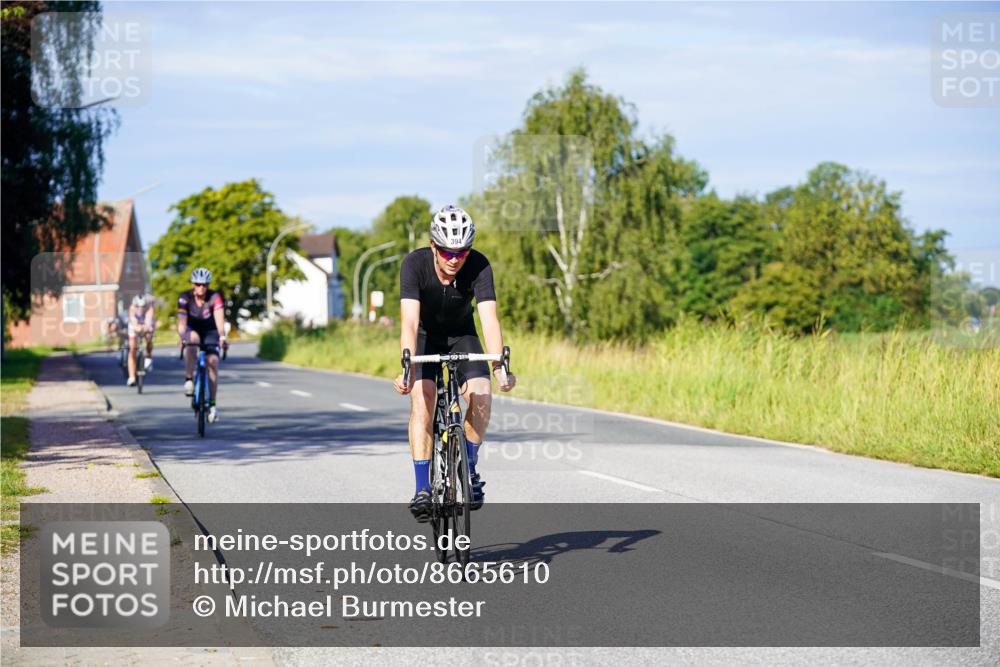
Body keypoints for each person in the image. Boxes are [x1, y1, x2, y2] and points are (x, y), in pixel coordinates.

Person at [393, 205, 516, 522]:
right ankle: (422, 488)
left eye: (461, 252)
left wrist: (500, 365)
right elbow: (408, 321)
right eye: (447, 251)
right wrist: (407, 368)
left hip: (462, 335)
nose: (454, 259)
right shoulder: (414, 264)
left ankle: (468, 466)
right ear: (434, 246)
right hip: (425, 337)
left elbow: (489, 319)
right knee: (423, 400)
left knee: (482, 394)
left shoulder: (479, 266)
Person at [177, 267, 227, 423]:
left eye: (205, 285)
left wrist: (222, 337)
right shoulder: (185, 298)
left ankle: (212, 404)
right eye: (198, 284)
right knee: (191, 341)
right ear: (193, 284)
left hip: (210, 330)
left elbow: (219, 321)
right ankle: (189, 379)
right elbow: (181, 324)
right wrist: (182, 337)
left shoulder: (214, 297)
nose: (201, 288)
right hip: (192, 329)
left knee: (213, 362)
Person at [126, 294, 155, 386]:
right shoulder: (132, 309)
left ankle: (148, 356)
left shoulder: (150, 309)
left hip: (145, 324)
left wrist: (145, 329)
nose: (140, 309)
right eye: (138, 306)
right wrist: (138, 328)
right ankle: (131, 377)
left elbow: (148, 322)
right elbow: (134, 323)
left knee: (149, 338)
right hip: (134, 326)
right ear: (135, 305)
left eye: (143, 306)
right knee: (132, 349)